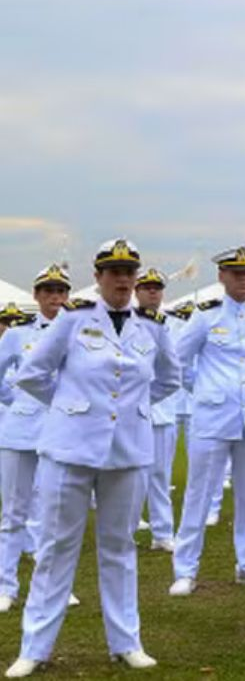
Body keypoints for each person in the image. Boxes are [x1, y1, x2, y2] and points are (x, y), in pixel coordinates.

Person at [5, 240, 181, 678]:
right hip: (70, 449)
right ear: (99, 277)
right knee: (56, 548)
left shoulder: (153, 327)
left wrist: (132, 412)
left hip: (127, 452)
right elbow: (31, 375)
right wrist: (71, 405)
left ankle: (126, 642)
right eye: (113, 272)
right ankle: (35, 647)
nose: (122, 280)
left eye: (129, 272)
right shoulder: (73, 320)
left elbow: (170, 379)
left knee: (120, 549)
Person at [168, 247, 245, 596]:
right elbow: (179, 362)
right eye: (236, 274)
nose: (243, 280)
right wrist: (204, 389)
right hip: (213, 417)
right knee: (199, 495)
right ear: (222, 277)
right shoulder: (205, 317)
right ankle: (185, 570)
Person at [0, 265, 78, 614]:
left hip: (61, 432)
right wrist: (14, 401)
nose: (55, 298)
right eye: (48, 292)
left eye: (61, 292)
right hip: (20, 431)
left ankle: (55, 588)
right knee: (14, 513)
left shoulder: (80, 333)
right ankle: (6, 585)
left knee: (56, 515)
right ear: (36, 297)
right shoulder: (17, 335)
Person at [131, 269, 182, 553]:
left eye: (157, 288)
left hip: (162, 410)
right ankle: (126, 529)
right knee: (129, 476)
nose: (152, 292)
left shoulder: (171, 323)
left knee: (160, 476)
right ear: (136, 292)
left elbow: (175, 371)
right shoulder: (125, 322)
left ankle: (162, 532)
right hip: (131, 413)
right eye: (147, 287)